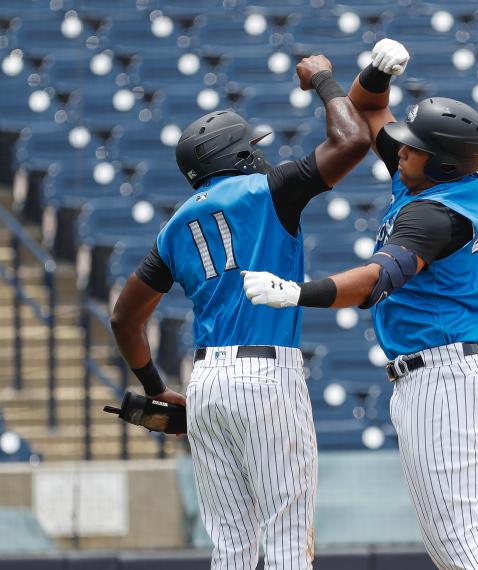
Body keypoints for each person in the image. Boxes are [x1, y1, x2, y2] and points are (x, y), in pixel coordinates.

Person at [242, 39, 478, 570]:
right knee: (453, 541)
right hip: (437, 374)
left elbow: (375, 282)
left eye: (412, 147)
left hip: (445, 378)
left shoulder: (436, 212)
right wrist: (375, 72)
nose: (398, 149)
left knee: (462, 541)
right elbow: (367, 108)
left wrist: (300, 293)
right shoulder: (431, 176)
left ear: (439, 162)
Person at [110, 54, 370, 570]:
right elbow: (353, 140)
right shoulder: (269, 191)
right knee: (288, 542)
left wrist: (155, 387)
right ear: (236, 156)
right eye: (253, 147)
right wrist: (322, 80)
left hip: (206, 381)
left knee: (231, 547)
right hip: (267, 376)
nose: (260, 153)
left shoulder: (173, 228)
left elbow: (124, 317)